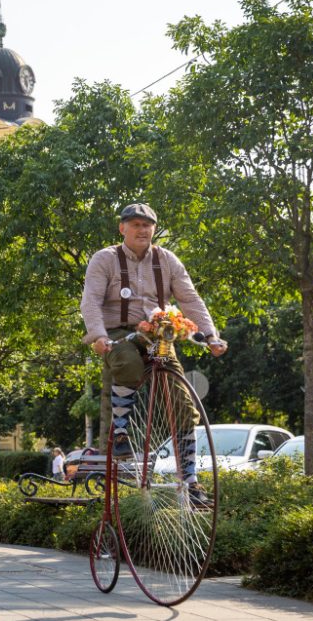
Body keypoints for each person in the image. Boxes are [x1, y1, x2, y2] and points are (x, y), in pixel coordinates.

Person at [80, 203, 227, 504]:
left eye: (147, 225)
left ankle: (190, 481)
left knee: (183, 404)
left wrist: (211, 335)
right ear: (122, 228)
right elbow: (91, 301)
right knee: (127, 363)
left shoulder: (167, 260)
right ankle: (121, 433)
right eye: (135, 224)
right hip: (119, 334)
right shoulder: (105, 259)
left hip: (159, 338)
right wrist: (98, 335)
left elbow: (190, 299)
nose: (142, 230)